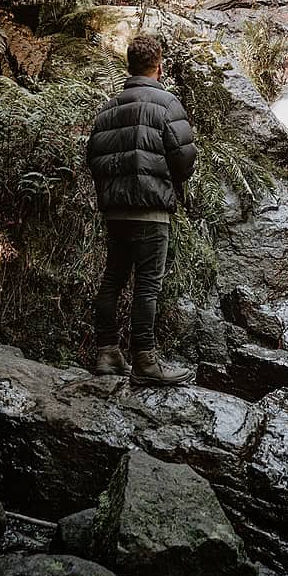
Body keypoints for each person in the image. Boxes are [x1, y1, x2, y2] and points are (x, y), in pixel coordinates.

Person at [85, 32, 197, 385]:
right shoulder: (166, 105)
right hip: (151, 210)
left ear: (129, 64)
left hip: (115, 211)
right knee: (147, 286)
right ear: (159, 64)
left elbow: (94, 157)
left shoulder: (108, 108)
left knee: (113, 279)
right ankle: (145, 361)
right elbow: (184, 158)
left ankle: (106, 352)